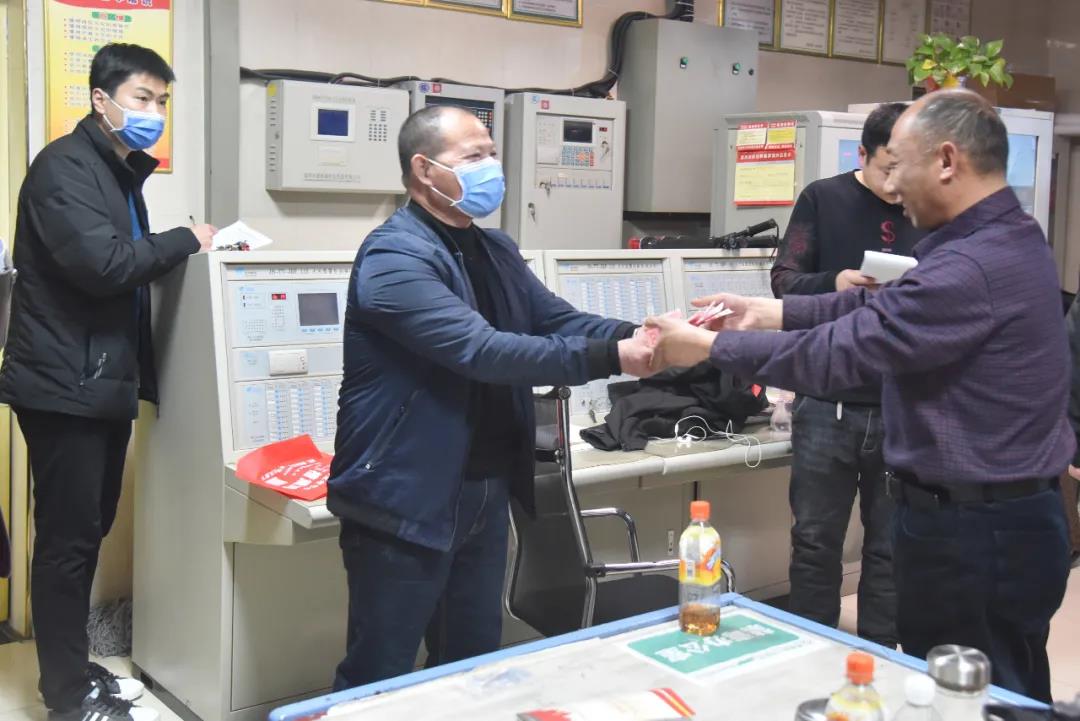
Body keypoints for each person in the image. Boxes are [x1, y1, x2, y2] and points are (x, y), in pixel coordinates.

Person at [644, 90, 1072, 702]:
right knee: (999, 684)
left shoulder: (972, 264)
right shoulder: (1003, 237)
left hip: (979, 533)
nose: (891, 186)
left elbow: (845, 350)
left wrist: (709, 347)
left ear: (946, 161)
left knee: (979, 698)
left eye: (900, 165)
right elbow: (881, 305)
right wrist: (768, 312)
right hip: (994, 519)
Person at [327, 105, 653, 689]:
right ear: (424, 170)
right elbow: (483, 351)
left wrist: (647, 335)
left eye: (493, 154)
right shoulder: (393, 258)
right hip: (404, 496)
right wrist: (615, 356)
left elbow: (557, 320)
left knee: (470, 662)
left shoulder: (495, 249)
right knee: (380, 673)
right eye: (474, 156)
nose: (492, 168)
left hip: (484, 488)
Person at [0, 44, 215, 721]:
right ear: (101, 99)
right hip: (64, 385)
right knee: (67, 543)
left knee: (86, 530)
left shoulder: (113, 171)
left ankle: (72, 668)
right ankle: (66, 696)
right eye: (142, 98)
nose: (154, 112)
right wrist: (187, 238)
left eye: (161, 101)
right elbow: (105, 266)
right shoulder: (64, 168)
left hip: (96, 381)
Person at [770, 102, 924, 647]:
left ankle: (881, 656)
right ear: (862, 154)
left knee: (890, 546)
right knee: (816, 541)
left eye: (905, 170)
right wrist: (835, 282)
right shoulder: (824, 198)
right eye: (886, 169)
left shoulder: (924, 205)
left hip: (901, 403)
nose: (896, 184)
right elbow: (783, 281)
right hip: (826, 399)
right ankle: (814, 650)